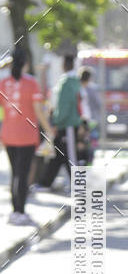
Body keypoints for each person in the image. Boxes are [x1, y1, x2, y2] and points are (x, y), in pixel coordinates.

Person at [0, 47, 54, 225]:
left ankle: (15, 210)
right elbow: (39, 111)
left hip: (8, 134)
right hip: (27, 135)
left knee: (15, 173)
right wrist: (49, 129)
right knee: (22, 175)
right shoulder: (31, 83)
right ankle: (20, 211)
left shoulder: (3, 83)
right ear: (26, 63)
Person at [38, 54, 82, 189]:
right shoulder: (75, 81)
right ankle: (46, 182)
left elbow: (63, 106)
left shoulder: (66, 82)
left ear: (64, 65)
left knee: (69, 155)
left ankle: (78, 185)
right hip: (69, 123)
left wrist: (56, 122)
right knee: (59, 155)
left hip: (66, 124)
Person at [80, 68, 101, 164]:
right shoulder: (91, 89)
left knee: (84, 143)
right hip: (89, 120)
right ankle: (88, 162)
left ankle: (85, 162)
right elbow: (98, 104)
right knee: (90, 143)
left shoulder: (78, 87)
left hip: (82, 121)